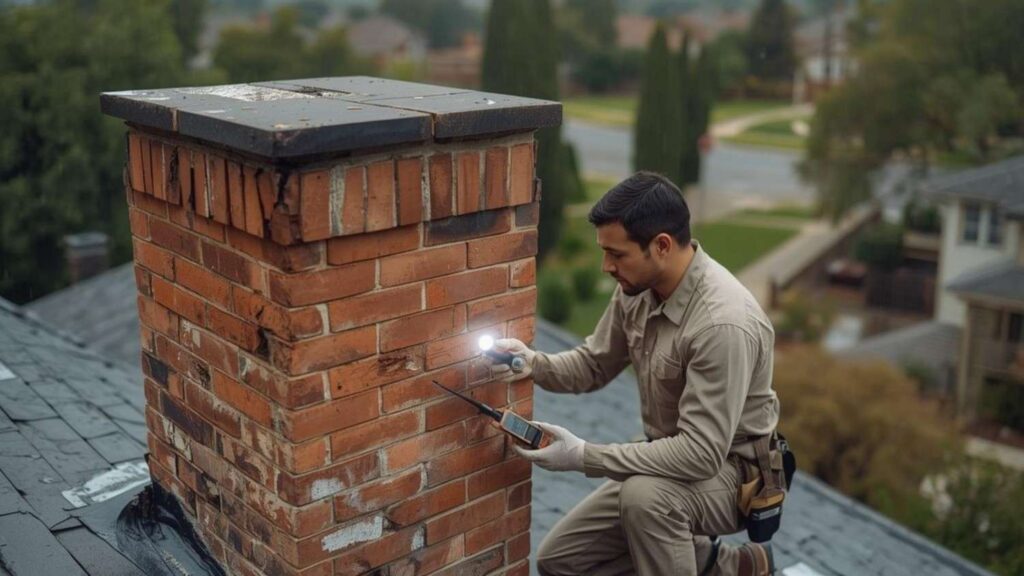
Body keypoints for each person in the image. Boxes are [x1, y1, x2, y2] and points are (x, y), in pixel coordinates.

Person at [490, 172, 781, 576]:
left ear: (661, 245)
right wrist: (532, 363)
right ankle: (730, 567)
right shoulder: (637, 288)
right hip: (669, 461)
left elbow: (700, 454)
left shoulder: (721, 325)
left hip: (734, 477)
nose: (607, 266)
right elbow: (594, 364)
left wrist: (582, 456)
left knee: (647, 500)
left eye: (617, 254)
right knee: (561, 560)